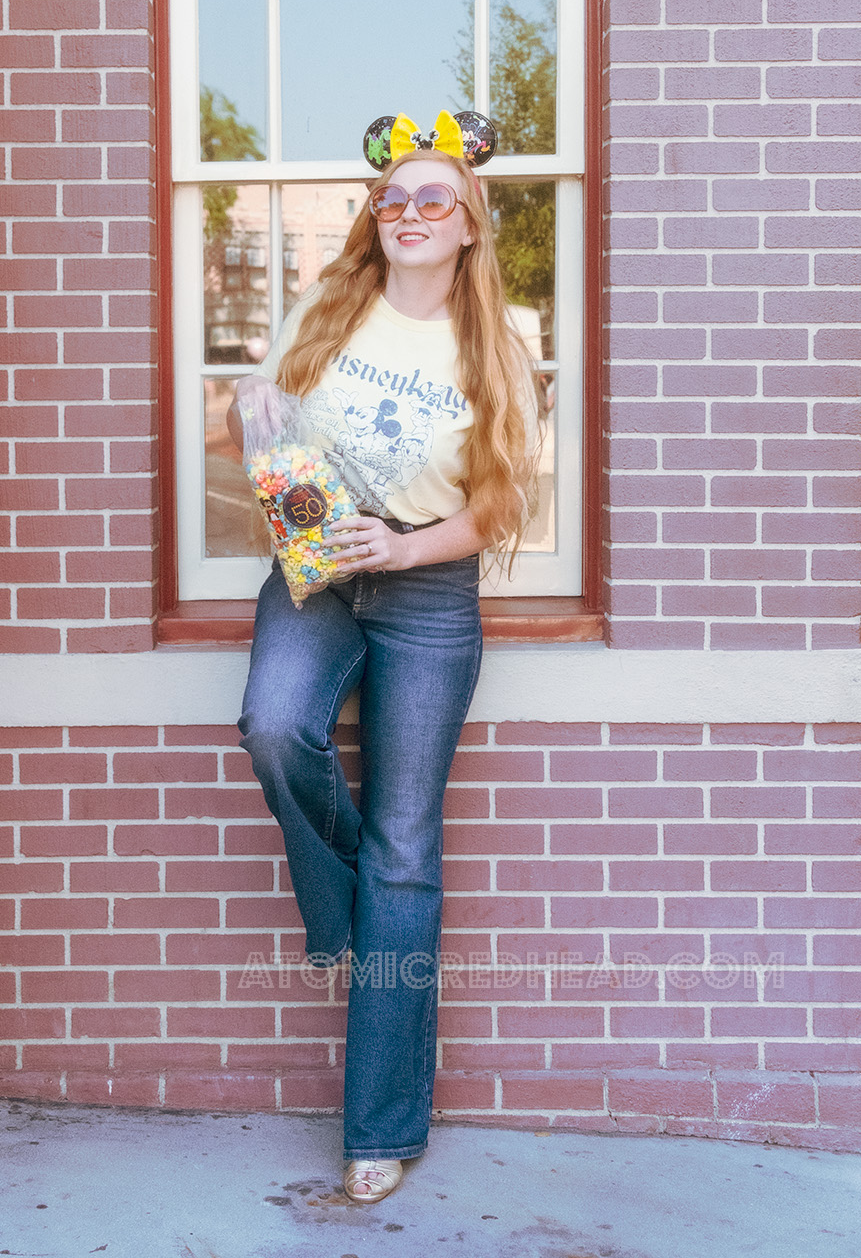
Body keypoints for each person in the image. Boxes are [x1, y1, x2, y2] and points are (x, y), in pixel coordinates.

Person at [227, 110, 540, 1206]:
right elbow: (270, 444)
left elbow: (497, 504)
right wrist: (250, 412)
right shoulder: (327, 305)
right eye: (391, 198)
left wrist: (406, 543)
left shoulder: (492, 345)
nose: (407, 214)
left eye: (431, 200)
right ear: (376, 217)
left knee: (410, 840)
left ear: (467, 225)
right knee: (274, 729)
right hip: (316, 565)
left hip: (427, 594)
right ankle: (351, 907)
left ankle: (380, 1128)